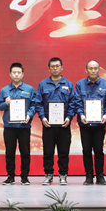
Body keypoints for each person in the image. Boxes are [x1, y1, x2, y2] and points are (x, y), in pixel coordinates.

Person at [0, 62, 37, 185]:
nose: (16, 74)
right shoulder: (4, 90)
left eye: (19, 72)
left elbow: (34, 105)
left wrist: (29, 115)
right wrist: (6, 103)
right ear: (10, 74)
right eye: (14, 72)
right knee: (9, 152)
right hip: (9, 126)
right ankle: (10, 176)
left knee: (25, 152)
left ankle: (24, 177)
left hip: (24, 126)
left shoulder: (29, 89)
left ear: (23, 74)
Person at [36, 57, 75, 186]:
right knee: (48, 151)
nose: (55, 68)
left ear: (62, 67)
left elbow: (73, 103)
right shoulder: (43, 84)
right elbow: (38, 103)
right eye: (52, 66)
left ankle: (63, 175)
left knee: (64, 152)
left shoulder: (68, 84)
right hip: (48, 124)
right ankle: (48, 175)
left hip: (64, 124)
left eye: (57, 66)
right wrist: (43, 117)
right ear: (49, 68)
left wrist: (69, 117)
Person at [75, 60, 106, 185]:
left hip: (99, 124)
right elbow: (77, 101)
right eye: (90, 68)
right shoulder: (80, 84)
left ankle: (100, 176)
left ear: (99, 69)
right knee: (86, 150)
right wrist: (81, 114)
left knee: (98, 150)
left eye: (95, 68)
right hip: (85, 123)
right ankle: (89, 176)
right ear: (86, 70)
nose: (93, 71)